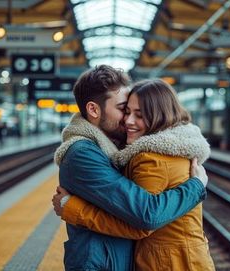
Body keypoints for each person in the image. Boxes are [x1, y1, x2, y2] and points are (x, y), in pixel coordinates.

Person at [52, 65, 209, 270]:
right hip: (99, 264)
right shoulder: (82, 154)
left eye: (137, 113)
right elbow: (145, 215)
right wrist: (196, 186)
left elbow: (145, 217)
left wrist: (197, 185)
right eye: (123, 110)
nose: (127, 120)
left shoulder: (122, 149)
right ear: (93, 109)